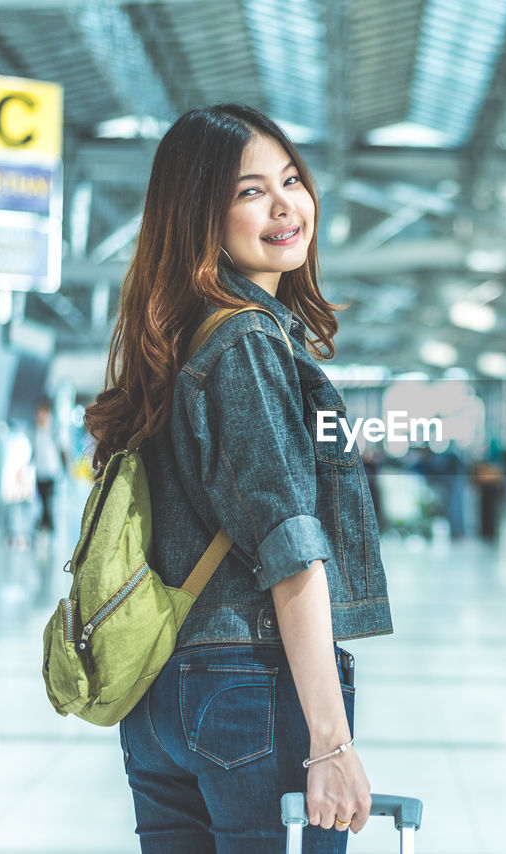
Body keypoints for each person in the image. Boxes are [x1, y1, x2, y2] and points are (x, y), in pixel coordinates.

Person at [83, 104, 393, 852]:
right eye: (251, 191)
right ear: (200, 215)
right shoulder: (247, 341)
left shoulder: (172, 340)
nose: (286, 204)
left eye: (291, 179)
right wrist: (330, 742)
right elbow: (290, 546)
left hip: (161, 694)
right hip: (247, 685)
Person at [32, 398, 67, 533]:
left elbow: (62, 448)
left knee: (48, 498)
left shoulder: (54, 429)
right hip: (39, 469)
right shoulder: (36, 429)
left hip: (52, 470)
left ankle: (47, 522)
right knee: (41, 498)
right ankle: (45, 521)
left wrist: (65, 468)